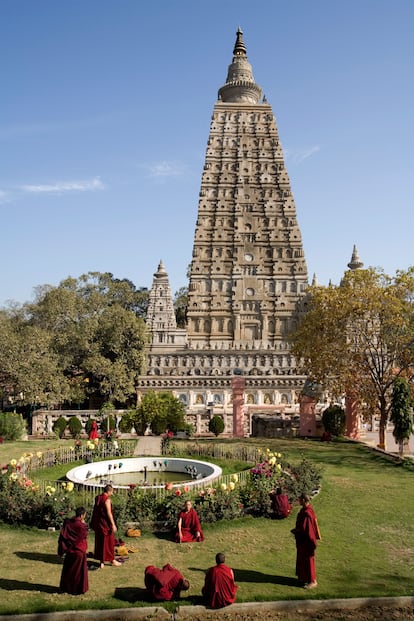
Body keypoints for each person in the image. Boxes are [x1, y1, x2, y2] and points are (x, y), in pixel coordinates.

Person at [291, 493, 321, 589]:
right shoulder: (306, 510)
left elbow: (306, 530)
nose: (298, 501)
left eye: (300, 499)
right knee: (302, 559)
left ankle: (312, 581)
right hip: (303, 541)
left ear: (304, 500)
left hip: (307, 541)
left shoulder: (307, 513)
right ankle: (303, 578)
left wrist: (296, 531)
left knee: (308, 561)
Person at [58, 507, 89, 595]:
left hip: (69, 551)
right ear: (82, 515)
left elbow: (63, 536)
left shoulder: (68, 522)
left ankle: (66, 588)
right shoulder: (81, 526)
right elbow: (84, 535)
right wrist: (84, 524)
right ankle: (76, 589)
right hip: (79, 550)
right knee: (78, 573)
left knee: (68, 570)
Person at [90, 484, 122, 568]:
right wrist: (113, 524)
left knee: (100, 542)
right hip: (105, 524)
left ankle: (102, 562)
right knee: (109, 542)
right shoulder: (107, 500)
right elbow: (109, 513)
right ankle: (112, 560)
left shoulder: (98, 497)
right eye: (112, 492)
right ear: (109, 491)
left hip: (99, 523)